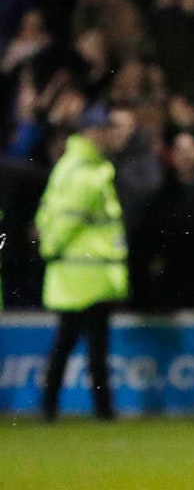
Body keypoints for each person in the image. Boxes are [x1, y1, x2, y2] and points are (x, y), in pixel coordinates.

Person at [36, 103, 128, 421]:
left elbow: (53, 216)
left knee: (67, 345)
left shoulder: (74, 166)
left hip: (77, 272)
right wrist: (52, 248)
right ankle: (102, 412)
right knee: (92, 350)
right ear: (89, 133)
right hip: (86, 273)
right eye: (103, 129)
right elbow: (66, 221)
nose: (108, 135)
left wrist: (51, 249)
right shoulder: (85, 173)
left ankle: (49, 408)